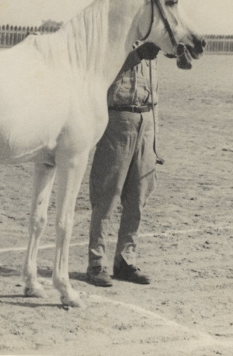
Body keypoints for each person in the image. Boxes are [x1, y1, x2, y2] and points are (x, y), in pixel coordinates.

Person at [86, 41, 161, 287]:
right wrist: (136, 55)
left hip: (147, 119)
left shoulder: (154, 38)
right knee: (106, 195)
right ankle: (97, 263)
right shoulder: (115, 35)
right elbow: (103, 73)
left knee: (138, 197)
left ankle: (125, 262)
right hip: (117, 118)